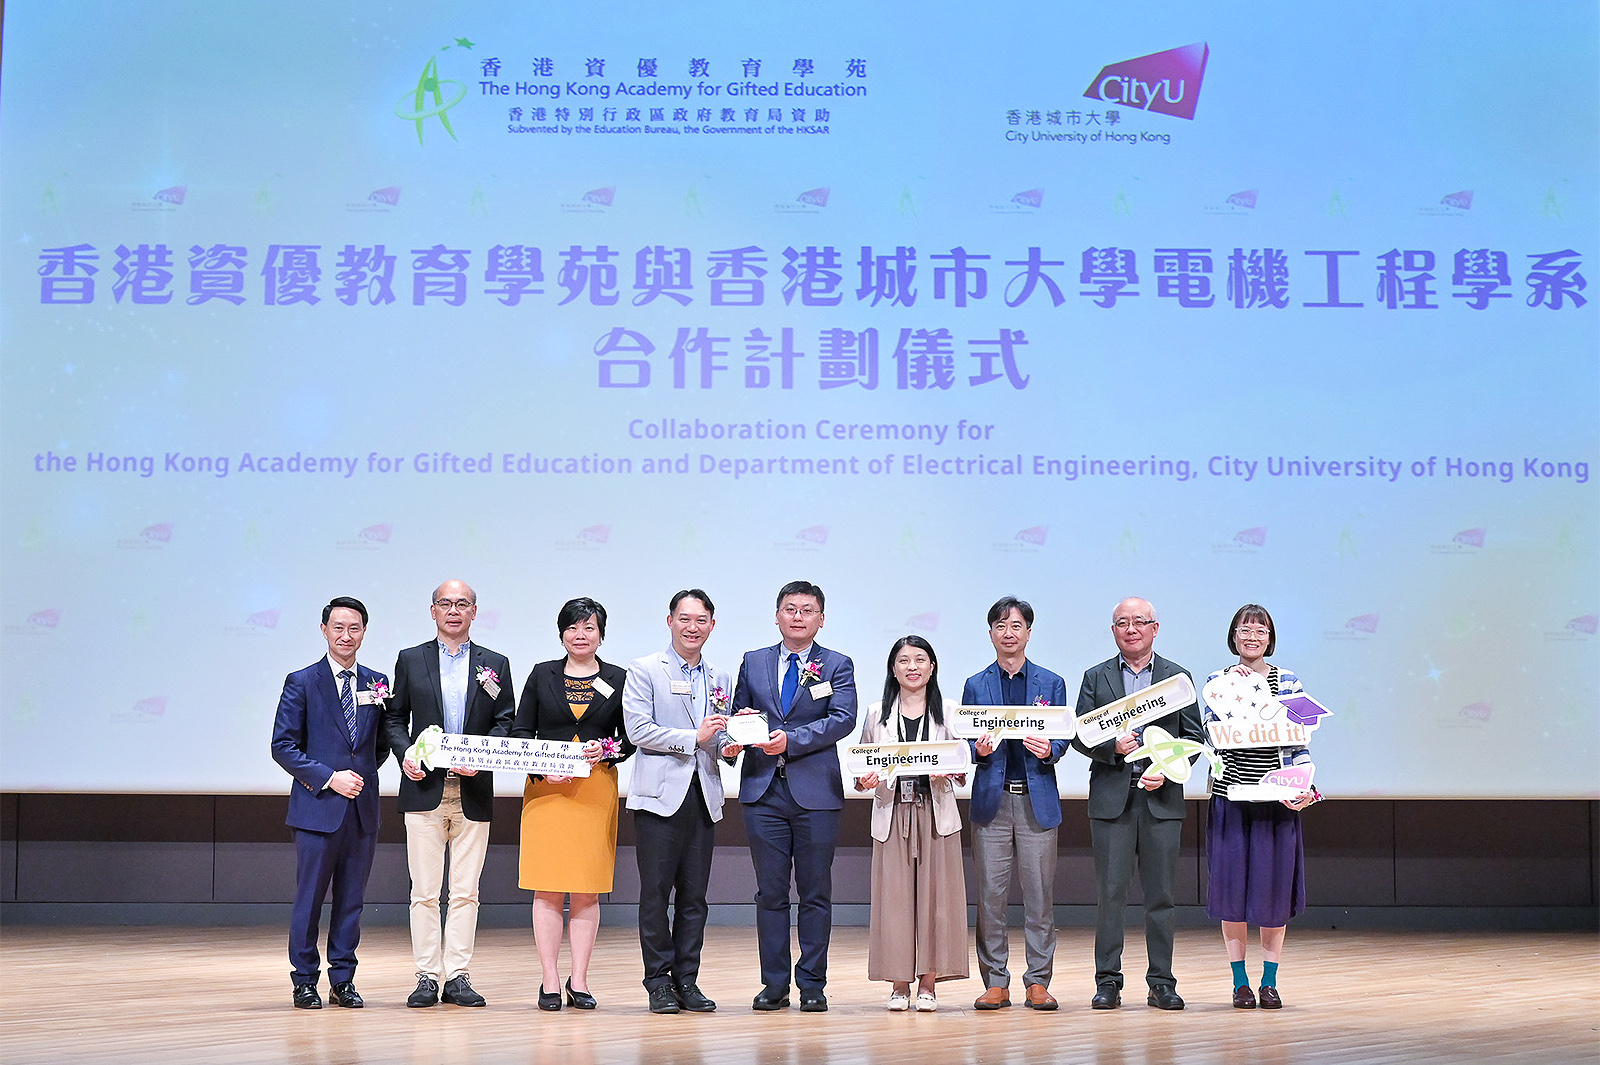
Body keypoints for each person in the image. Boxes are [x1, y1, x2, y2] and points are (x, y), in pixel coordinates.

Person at [382, 580, 515, 1009]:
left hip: (473, 789)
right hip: (423, 788)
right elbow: (394, 719)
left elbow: (505, 722)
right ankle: (426, 975)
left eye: (462, 604)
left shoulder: (495, 663)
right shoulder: (410, 659)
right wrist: (405, 755)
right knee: (423, 890)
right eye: (445, 604)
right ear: (432, 611)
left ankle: (457, 975)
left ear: (475, 612)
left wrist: (483, 756)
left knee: (466, 891)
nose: (453, 611)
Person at [728, 580, 859, 1013]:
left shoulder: (837, 664)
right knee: (769, 893)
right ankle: (774, 984)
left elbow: (842, 719)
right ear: (777, 615)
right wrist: (739, 727)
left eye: (807, 610)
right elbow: (738, 716)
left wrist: (792, 740)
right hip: (763, 790)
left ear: (821, 619)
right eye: (790, 608)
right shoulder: (754, 661)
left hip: (815, 793)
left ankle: (813, 984)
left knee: (816, 892)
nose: (797, 616)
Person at [1072, 596, 1204, 1012]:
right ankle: (1107, 981)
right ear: (1113, 631)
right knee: (1110, 895)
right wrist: (1111, 747)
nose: (1131, 628)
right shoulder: (1096, 677)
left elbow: (1194, 738)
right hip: (1112, 798)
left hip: (1161, 798)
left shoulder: (1176, 677)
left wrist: (1167, 767)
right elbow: (1077, 735)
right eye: (1122, 623)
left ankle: (1161, 982)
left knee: (1160, 897)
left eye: (1140, 621)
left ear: (1155, 627)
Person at [510, 597, 634, 1011]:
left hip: (595, 791)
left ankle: (578, 980)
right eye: (572, 628)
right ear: (562, 633)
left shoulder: (619, 677)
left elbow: (629, 738)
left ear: (601, 634)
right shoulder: (541, 675)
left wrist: (608, 750)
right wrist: (545, 767)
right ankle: (548, 980)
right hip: (547, 792)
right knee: (547, 889)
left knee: (586, 890)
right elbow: (521, 731)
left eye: (589, 628)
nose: (580, 636)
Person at [269, 596, 390, 1009]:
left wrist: (357, 777)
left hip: (362, 811)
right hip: (317, 810)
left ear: (364, 632)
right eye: (338, 627)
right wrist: (330, 778)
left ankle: (343, 978)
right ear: (324, 630)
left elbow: (375, 748)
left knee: (352, 901)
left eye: (354, 628)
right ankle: (304, 980)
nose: (346, 636)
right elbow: (283, 746)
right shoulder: (302, 681)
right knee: (310, 899)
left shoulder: (377, 682)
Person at [622, 589, 735, 1015]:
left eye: (701, 619)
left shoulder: (721, 677)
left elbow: (719, 732)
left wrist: (728, 746)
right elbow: (638, 730)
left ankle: (687, 980)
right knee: (655, 895)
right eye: (685, 619)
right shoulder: (646, 669)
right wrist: (695, 738)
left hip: (704, 796)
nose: (693, 627)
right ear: (669, 621)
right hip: (658, 799)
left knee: (695, 897)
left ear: (712, 623)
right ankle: (658, 983)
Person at [1204, 604, 1317, 1010]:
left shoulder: (1288, 681)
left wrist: (1304, 785)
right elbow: (1211, 738)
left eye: (1261, 630)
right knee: (1232, 893)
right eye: (1244, 629)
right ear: (1233, 636)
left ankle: (1269, 981)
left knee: (1272, 894)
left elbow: (1300, 741)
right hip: (1231, 799)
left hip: (1277, 801)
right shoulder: (1216, 682)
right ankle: (1240, 983)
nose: (1252, 636)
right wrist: (1234, 693)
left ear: (1270, 637)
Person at [962, 596, 1070, 1012]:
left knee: (1040, 896)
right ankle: (995, 981)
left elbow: (1063, 734)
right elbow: (965, 739)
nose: (1009, 633)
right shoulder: (976, 683)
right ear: (991, 633)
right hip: (992, 800)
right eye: (1001, 626)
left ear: (1028, 632)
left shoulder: (1051, 682)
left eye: (1017, 626)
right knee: (990, 895)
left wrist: (1050, 749)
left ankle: (1038, 981)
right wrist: (979, 748)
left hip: (1036, 799)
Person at [855, 636, 968, 1012]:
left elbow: (963, 765)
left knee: (937, 900)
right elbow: (861, 769)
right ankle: (899, 984)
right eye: (904, 660)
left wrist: (955, 769)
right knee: (895, 900)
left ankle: (929, 983)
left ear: (932, 667)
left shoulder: (950, 711)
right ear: (893, 669)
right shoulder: (876, 713)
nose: (913, 667)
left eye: (920, 659)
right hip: (893, 811)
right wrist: (864, 780)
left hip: (936, 812)